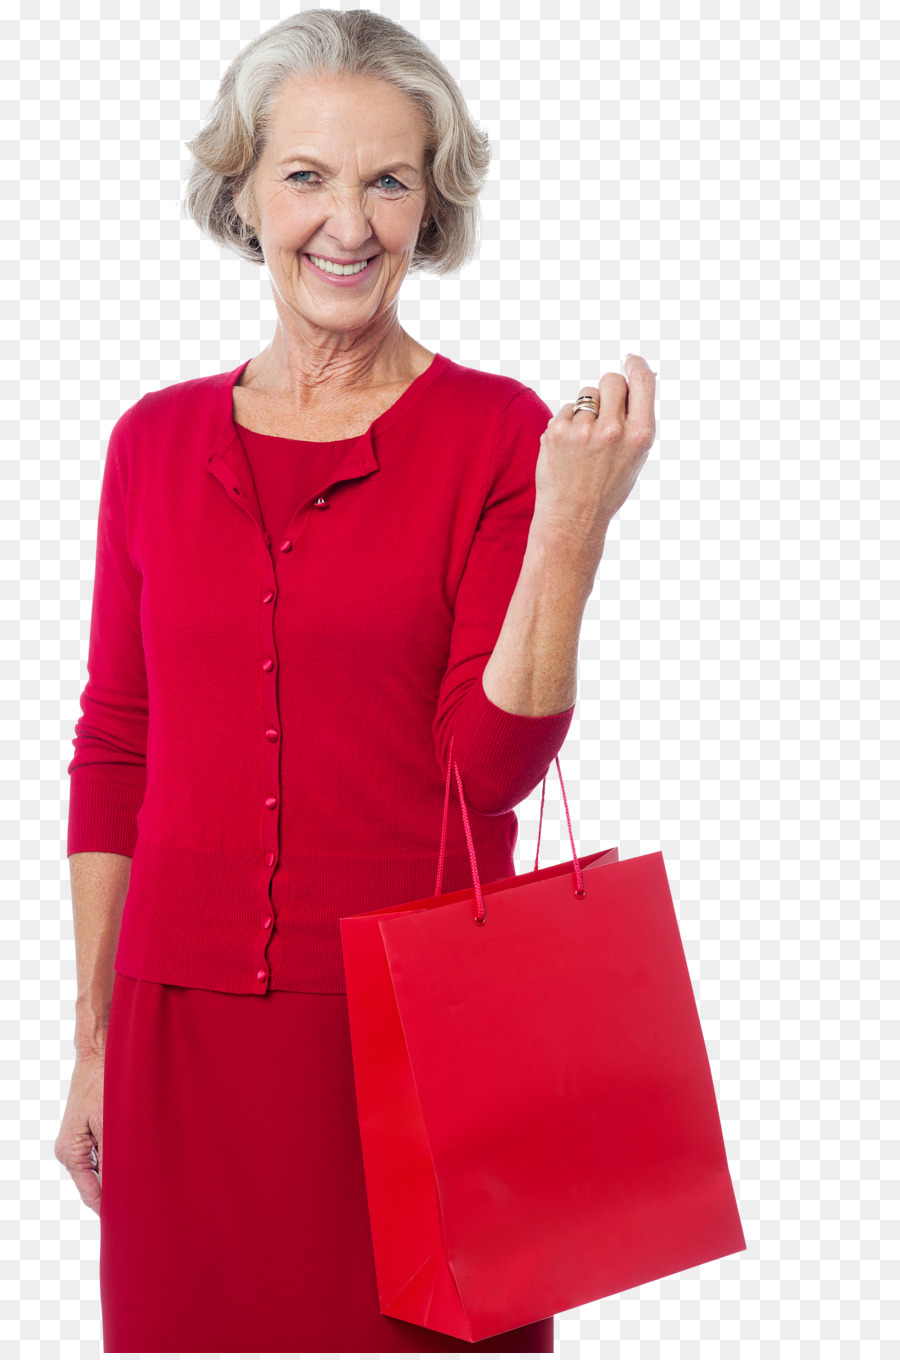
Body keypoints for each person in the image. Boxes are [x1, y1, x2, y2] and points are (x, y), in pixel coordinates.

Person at [53, 9, 656, 1353]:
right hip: (180, 1044)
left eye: (389, 180)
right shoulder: (151, 443)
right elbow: (116, 750)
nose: (348, 222)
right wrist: (89, 1039)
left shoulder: (499, 433)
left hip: (426, 1043)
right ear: (246, 192)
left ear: (431, 207)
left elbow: (485, 770)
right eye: (307, 176)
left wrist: (569, 529)